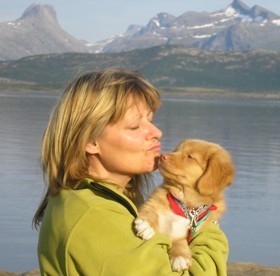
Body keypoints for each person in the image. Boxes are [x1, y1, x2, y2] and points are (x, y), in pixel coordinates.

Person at [33, 68, 229, 275]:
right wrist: (207, 221)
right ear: (91, 142)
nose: (156, 132)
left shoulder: (100, 199)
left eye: (150, 120)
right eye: (135, 126)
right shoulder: (96, 216)